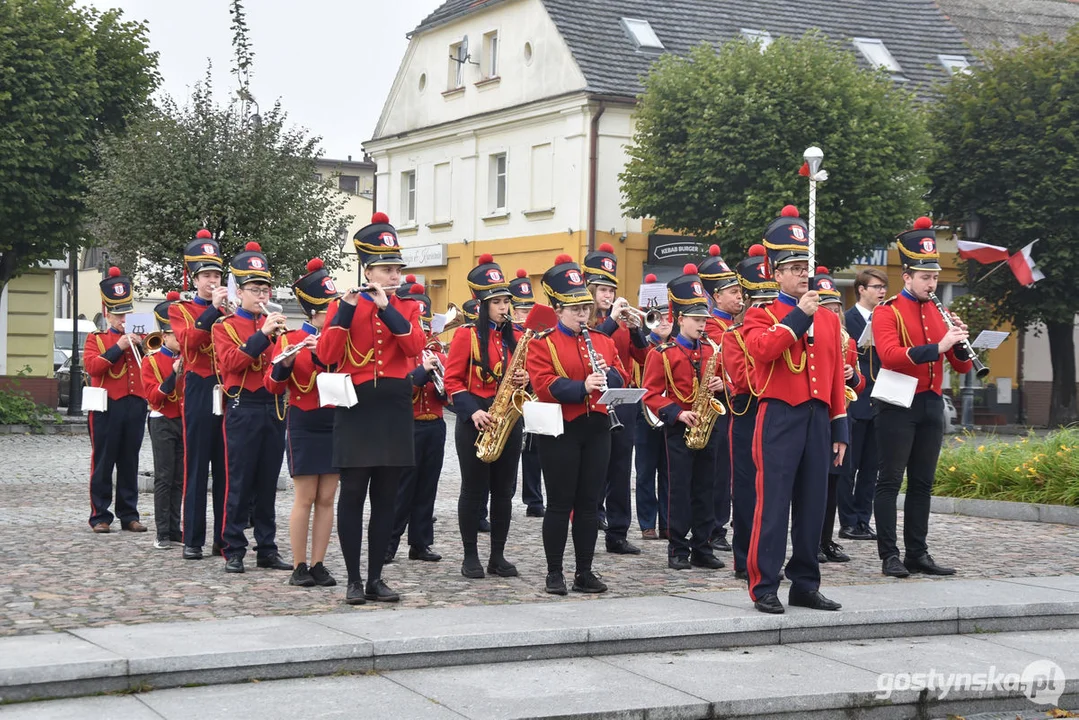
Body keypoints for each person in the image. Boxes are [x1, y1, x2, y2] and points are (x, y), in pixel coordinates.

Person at [742, 205, 847, 615]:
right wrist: (797, 317)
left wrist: (840, 429)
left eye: (806, 265)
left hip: (818, 418)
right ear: (775, 273)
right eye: (793, 266)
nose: (803, 273)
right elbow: (764, 351)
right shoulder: (760, 313)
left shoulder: (828, 319)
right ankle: (764, 585)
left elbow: (836, 375)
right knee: (773, 503)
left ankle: (805, 582)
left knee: (813, 504)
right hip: (779, 415)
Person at [317, 212, 424, 604]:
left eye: (397, 269)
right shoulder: (342, 306)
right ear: (367, 269)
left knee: (386, 498)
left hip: (394, 407)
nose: (394, 276)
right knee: (353, 496)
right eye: (386, 269)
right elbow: (327, 355)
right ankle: (352, 579)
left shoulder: (408, 308)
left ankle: (377, 577)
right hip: (357, 407)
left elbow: (414, 348)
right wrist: (346, 312)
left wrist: (387, 308)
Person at [873, 217, 972, 578]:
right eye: (925, 277)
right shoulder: (889, 311)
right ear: (908, 277)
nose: (932, 284)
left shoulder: (938, 311)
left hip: (931, 402)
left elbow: (959, 368)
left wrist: (960, 343)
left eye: (934, 278)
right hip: (899, 404)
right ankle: (889, 555)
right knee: (889, 481)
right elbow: (890, 355)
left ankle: (918, 552)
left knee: (922, 483)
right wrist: (938, 345)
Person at [527, 254, 628, 594]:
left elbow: (621, 375)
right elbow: (543, 383)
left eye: (585, 308)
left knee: (588, 504)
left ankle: (584, 571)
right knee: (559, 502)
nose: (583, 314)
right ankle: (554, 572)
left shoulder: (603, 340)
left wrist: (609, 373)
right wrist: (581, 386)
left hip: (597, 428)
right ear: (558, 310)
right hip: (562, 430)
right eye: (575, 309)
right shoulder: (543, 342)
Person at [444, 253, 528, 580]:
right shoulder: (465, 335)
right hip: (476, 419)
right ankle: (470, 555)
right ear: (482, 305)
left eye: (507, 301)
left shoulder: (516, 338)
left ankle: (498, 555)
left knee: (504, 490)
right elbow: (451, 381)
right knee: (473, 489)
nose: (505, 307)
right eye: (498, 302)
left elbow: (528, 376)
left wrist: (526, 380)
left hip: (507, 418)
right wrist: (472, 410)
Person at [212, 242, 291, 575]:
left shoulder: (275, 327)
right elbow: (231, 363)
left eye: (265, 288)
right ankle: (233, 547)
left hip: (273, 407)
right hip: (242, 407)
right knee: (239, 480)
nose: (261, 295)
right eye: (254, 289)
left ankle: (267, 547)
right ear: (239, 292)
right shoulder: (224, 326)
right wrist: (261, 335)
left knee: (268, 481)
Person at [641, 264, 726, 572]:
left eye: (705, 319)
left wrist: (722, 386)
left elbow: (730, 383)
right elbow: (650, 394)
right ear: (680, 319)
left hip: (708, 426)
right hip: (679, 429)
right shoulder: (663, 353)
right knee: (679, 490)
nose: (703, 325)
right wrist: (678, 413)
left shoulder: (712, 351)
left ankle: (703, 546)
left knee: (707, 489)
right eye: (697, 320)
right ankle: (678, 547)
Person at [266, 258, 340, 588]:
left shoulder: (340, 340)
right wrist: (290, 359)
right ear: (314, 312)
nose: (333, 314)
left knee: (327, 498)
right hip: (305, 422)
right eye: (328, 309)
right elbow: (273, 385)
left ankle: (319, 562)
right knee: (306, 497)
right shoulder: (290, 338)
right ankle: (298, 565)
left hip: (335, 421)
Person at [584, 243, 648, 555]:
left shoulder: (621, 320)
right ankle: (590, 517)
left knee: (622, 468)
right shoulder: (584, 319)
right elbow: (596, 340)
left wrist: (636, 331)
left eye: (611, 290)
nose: (608, 296)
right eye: (603, 290)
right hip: (593, 400)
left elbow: (643, 355)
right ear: (590, 290)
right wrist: (613, 319)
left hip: (624, 398)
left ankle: (618, 532)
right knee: (595, 465)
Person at [170, 230, 228, 560]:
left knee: (225, 466)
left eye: (217, 275)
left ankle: (224, 538)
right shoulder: (182, 309)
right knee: (196, 464)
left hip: (227, 387)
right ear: (195, 279)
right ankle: (192, 537)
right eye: (206, 275)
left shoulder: (231, 309)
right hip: (199, 385)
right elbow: (188, 343)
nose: (212, 280)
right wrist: (211, 311)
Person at [722, 244, 778, 580]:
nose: (764, 307)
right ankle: (743, 558)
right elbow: (743, 379)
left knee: (772, 490)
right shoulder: (734, 335)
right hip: (746, 411)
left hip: (774, 413)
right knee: (745, 490)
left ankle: (768, 556)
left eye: (767, 300)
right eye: (758, 301)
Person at [385, 284, 447, 564]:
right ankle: (389, 542)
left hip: (435, 424)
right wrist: (422, 372)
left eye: (424, 321)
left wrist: (443, 381)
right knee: (402, 488)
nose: (422, 327)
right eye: (417, 321)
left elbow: (447, 394)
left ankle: (420, 543)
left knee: (427, 486)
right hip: (406, 425)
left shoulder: (435, 351)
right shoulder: (402, 353)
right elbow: (401, 389)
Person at [84, 267, 148, 533]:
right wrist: (119, 346)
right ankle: (100, 515)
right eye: (119, 314)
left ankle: (129, 514)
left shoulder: (143, 335)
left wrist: (141, 344)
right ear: (108, 314)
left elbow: (154, 363)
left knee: (129, 460)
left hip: (136, 403)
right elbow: (93, 368)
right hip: (107, 406)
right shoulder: (96, 338)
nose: (124, 319)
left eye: (127, 313)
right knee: (104, 460)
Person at [811, 268, 864, 564]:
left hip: (842, 416)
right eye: (826, 306)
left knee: (834, 483)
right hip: (820, 413)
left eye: (836, 307)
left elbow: (861, 383)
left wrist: (852, 374)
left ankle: (827, 539)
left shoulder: (849, 341)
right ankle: (813, 541)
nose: (833, 311)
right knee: (816, 484)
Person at [698, 244, 743, 553]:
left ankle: (723, 523)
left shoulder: (735, 324)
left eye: (740, 291)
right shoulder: (711, 326)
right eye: (733, 292)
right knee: (719, 471)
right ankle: (715, 527)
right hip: (722, 402)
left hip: (739, 401)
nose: (739, 297)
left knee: (731, 469)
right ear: (716, 297)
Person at [840, 268, 888, 541]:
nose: (881, 291)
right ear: (860, 289)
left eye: (883, 287)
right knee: (849, 467)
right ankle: (847, 521)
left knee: (871, 468)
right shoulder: (847, 320)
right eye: (876, 286)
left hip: (880, 400)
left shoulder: (887, 319)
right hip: (855, 400)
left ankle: (862, 519)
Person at [142, 291, 185, 548]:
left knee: (179, 477)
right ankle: (162, 532)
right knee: (164, 476)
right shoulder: (152, 361)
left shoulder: (188, 359)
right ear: (166, 336)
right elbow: (154, 397)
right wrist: (173, 376)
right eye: (176, 334)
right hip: (162, 419)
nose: (182, 339)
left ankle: (175, 529)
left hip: (183, 419)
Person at [634, 276, 671, 541]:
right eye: (656, 316)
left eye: (668, 315)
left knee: (669, 470)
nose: (663, 321)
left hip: (672, 410)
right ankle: (647, 523)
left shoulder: (680, 342)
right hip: (645, 411)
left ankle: (669, 522)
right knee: (646, 470)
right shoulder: (642, 343)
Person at [509, 268, 545, 518]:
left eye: (529, 309)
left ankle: (534, 500)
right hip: (510, 396)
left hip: (532, 395)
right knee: (510, 451)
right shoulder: (508, 332)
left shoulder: (537, 334)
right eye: (521, 310)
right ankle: (506, 497)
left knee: (533, 450)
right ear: (512, 310)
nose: (526, 314)